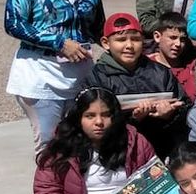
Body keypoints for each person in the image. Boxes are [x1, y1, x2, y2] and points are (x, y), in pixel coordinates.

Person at [5, 0, 106, 151]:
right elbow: (13, 23)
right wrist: (60, 42)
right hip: (39, 78)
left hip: (78, 79)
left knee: (79, 145)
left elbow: (97, 27)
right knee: (51, 148)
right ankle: (48, 190)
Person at [80, 13, 189, 159]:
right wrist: (132, 119)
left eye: (136, 39)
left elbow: (185, 105)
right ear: (106, 43)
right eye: (121, 40)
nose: (129, 46)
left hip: (159, 152)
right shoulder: (96, 78)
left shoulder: (161, 73)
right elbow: (89, 122)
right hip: (115, 155)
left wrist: (169, 115)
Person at [147, 12, 196, 102]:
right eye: (173, 37)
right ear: (157, 36)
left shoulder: (193, 67)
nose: (178, 44)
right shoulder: (145, 67)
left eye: (182, 39)